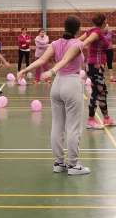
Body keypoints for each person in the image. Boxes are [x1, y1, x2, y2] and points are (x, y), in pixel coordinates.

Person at [19, 16, 90, 176]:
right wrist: (51, 71)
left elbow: (43, 59)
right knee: (73, 127)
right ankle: (73, 165)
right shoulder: (77, 44)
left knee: (57, 125)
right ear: (77, 29)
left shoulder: (55, 43)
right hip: (71, 84)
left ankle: (59, 163)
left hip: (57, 85)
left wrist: (25, 69)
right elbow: (66, 59)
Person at [81, 14, 116, 130]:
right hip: (94, 67)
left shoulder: (93, 31)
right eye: (106, 21)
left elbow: (79, 40)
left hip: (97, 67)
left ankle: (106, 118)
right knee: (96, 91)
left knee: (102, 91)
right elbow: (83, 42)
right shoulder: (96, 32)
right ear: (103, 22)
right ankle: (91, 120)